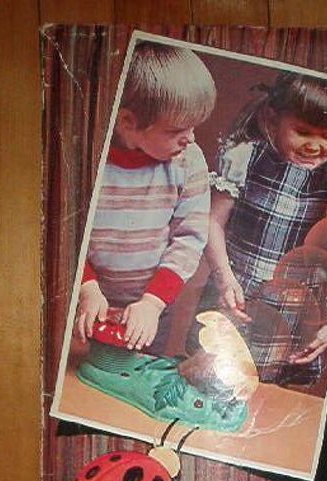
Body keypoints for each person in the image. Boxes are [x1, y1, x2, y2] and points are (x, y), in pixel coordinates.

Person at [196, 71, 327, 384]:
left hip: (294, 313)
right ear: (272, 120)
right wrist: (223, 277)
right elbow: (212, 222)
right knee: (211, 377)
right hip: (235, 296)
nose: (314, 145)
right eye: (302, 132)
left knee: (269, 394)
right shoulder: (245, 158)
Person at [77, 42, 216, 353]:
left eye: (194, 127)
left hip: (153, 309)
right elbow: (66, 235)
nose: (190, 138)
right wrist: (86, 288)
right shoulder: (88, 159)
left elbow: (189, 239)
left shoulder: (189, 160)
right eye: (177, 130)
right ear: (128, 122)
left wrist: (153, 303)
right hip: (87, 302)